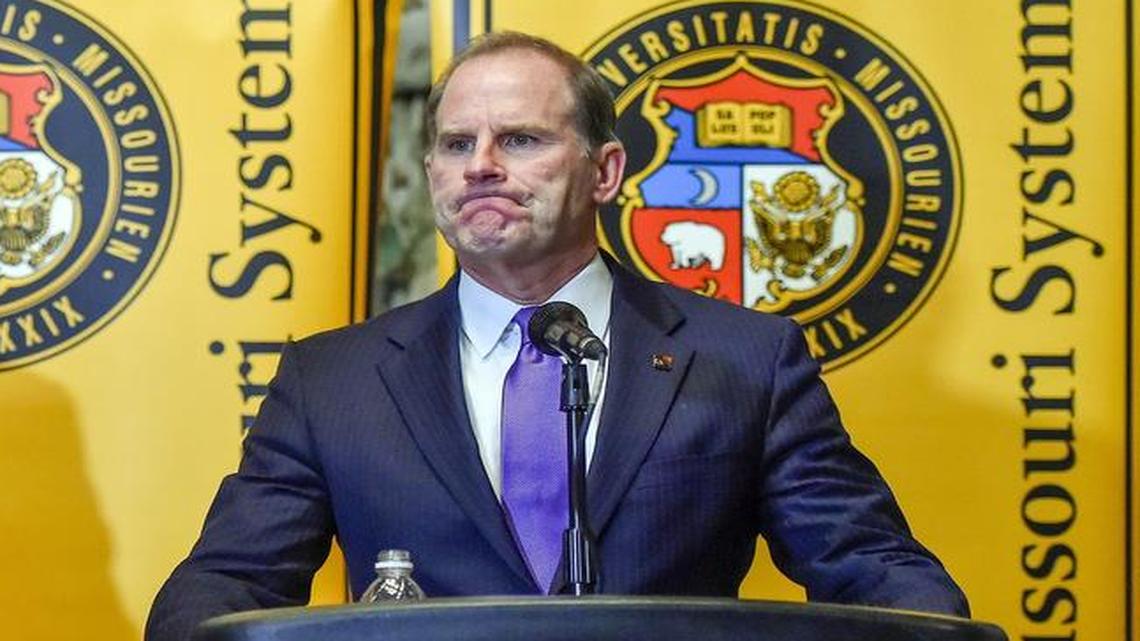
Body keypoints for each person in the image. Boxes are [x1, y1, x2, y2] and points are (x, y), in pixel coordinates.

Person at [145, 31, 968, 641]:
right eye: (457, 144)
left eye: (521, 139)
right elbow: (224, 586)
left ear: (604, 172)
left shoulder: (743, 360)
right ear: (431, 174)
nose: (481, 164)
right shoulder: (333, 380)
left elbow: (875, 569)